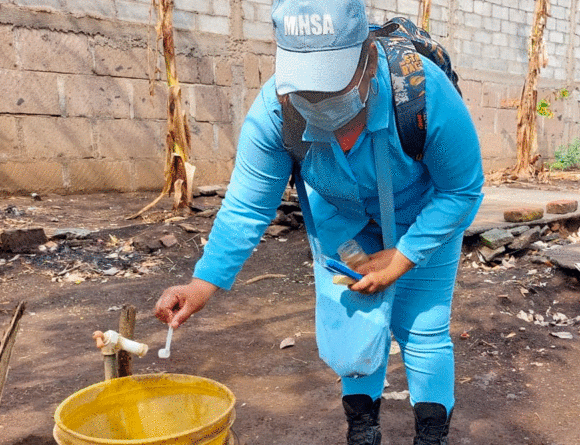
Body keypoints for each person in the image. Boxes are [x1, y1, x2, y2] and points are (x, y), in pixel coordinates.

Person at [153, 0, 483, 443]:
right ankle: (362, 432)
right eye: (308, 94)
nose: (324, 108)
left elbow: (461, 189)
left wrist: (405, 256)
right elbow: (248, 207)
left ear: (368, 60)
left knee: (422, 328)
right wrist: (202, 284)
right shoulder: (275, 112)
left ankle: (431, 436)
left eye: (334, 89)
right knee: (355, 326)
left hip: (422, 220)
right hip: (343, 226)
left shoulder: (422, 93)